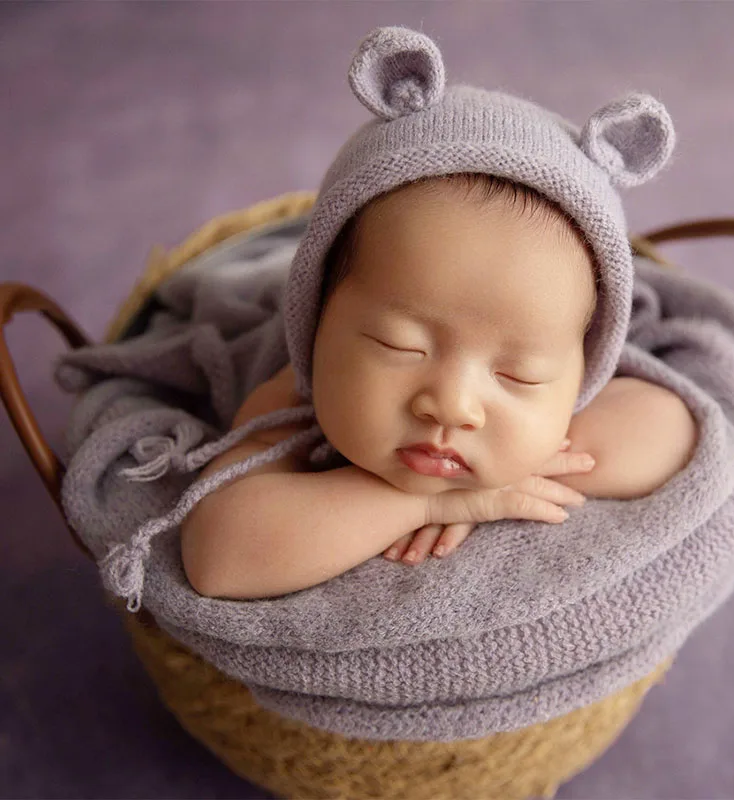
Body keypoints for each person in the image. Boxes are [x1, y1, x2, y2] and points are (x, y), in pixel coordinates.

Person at [179, 27, 698, 600]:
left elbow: (674, 430)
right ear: (315, 316)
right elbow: (219, 558)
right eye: (401, 346)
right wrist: (423, 500)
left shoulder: (557, 422)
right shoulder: (288, 400)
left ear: (582, 369)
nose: (452, 405)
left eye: (518, 374)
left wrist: (532, 462)